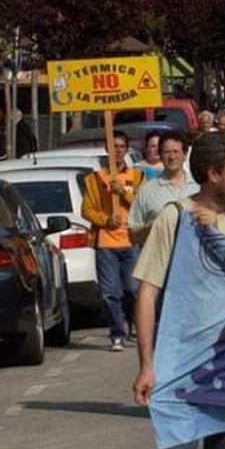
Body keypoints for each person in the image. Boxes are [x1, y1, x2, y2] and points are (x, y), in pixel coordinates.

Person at [131, 132, 225, 449]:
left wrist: (218, 232)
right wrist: (147, 365)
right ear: (212, 174)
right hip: (178, 366)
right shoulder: (173, 218)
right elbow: (147, 292)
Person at [81, 130, 147, 352]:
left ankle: (135, 325)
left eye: (121, 146)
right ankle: (116, 333)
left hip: (130, 241)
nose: (117, 150)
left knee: (133, 289)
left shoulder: (137, 176)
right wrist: (105, 220)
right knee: (110, 293)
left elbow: (143, 204)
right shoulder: (95, 179)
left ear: (126, 149)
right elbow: (86, 209)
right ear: (107, 149)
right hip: (106, 244)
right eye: (114, 146)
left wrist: (124, 193)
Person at [129, 131, 198, 244]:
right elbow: (133, 235)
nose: (172, 157)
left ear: (185, 154)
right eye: (167, 152)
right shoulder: (147, 190)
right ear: (160, 155)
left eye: (176, 152)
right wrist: (155, 227)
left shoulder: (198, 186)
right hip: (161, 259)